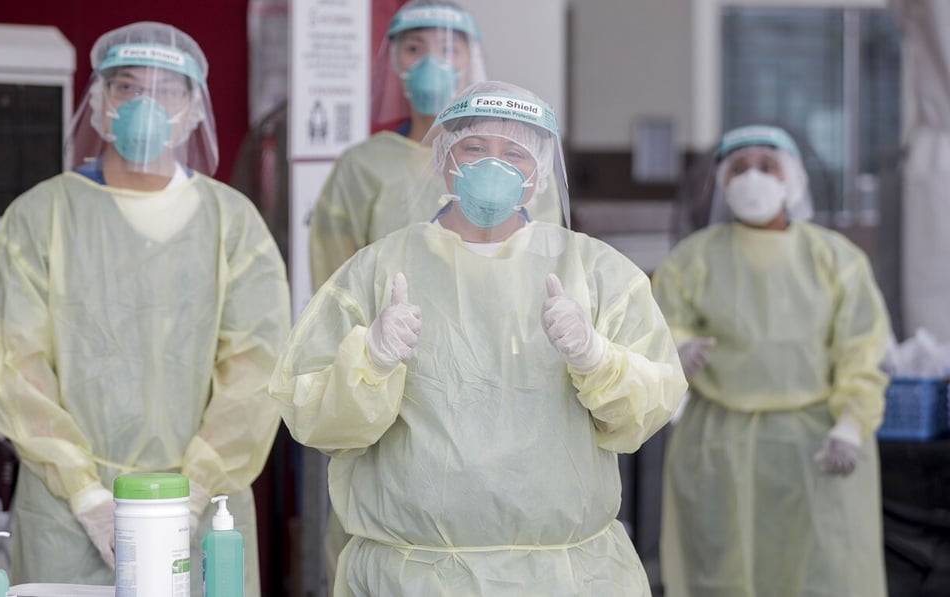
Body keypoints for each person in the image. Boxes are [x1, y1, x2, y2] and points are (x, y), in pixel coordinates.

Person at [270, 80, 688, 596]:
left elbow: (645, 412)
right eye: (474, 148)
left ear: (538, 174)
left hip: (564, 576)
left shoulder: (595, 272)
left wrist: (595, 356)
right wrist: (370, 360)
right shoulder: (380, 270)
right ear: (444, 158)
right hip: (413, 576)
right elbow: (313, 417)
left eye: (515, 153)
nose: (495, 165)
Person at [0, 22, 291, 596]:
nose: (146, 103)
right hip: (66, 515)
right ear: (98, 102)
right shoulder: (41, 217)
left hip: (203, 518)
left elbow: (256, 372)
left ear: (194, 109)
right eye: (127, 87)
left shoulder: (232, 222)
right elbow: (15, 365)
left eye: (167, 89)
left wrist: (191, 491)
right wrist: (88, 495)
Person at [652, 124, 890, 596]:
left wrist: (850, 422)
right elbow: (657, 323)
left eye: (767, 167)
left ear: (794, 179)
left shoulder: (834, 258)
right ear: (721, 183)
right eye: (738, 169)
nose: (752, 178)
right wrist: (673, 352)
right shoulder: (693, 259)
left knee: (824, 570)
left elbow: (863, 347)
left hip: (817, 443)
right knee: (720, 573)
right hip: (717, 446)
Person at [308, 0, 562, 290]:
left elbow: (541, 264)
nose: (432, 63)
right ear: (394, 60)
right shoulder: (363, 165)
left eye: (449, 49)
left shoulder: (519, 161)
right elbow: (336, 281)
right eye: (414, 49)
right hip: (392, 332)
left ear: (471, 59)